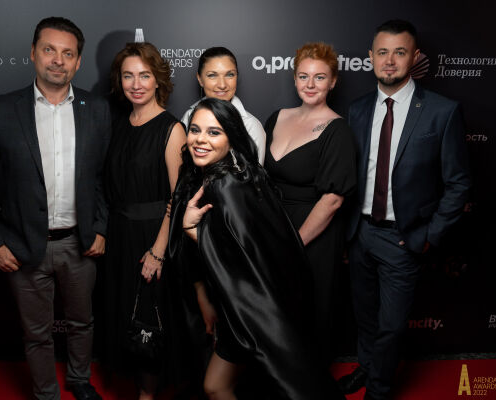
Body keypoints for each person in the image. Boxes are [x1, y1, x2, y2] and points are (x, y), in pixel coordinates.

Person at [0, 17, 109, 400]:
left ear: (78, 62)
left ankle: (80, 381)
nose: (58, 60)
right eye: (49, 50)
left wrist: (100, 227)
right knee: (37, 332)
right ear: (33, 53)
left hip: (80, 244)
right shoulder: (1, 110)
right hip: (23, 246)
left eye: (68, 53)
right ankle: (46, 393)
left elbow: (103, 177)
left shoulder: (97, 109)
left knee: (82, 322)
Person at [168, 98, 345, 400]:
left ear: (231, 137)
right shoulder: (236, 174)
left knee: (222, 386)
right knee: (221, 385)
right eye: (195, 130)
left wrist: (193, 232)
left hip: (253, 309)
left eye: (214, 132)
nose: (200, 139)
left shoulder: (225, 185)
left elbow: (241, 257)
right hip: (247, 305)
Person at [338, 20, 471, 400]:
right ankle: (366, 368)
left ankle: (379, 390)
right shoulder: (358, 109)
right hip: (360, 233)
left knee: (392, 326)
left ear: (415, 57)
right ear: (371, 57)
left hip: (403, 239)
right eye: (382, 52)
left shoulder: (442, 111)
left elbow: (459, 182)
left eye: (399, 52)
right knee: (365, 316)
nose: (390, 61)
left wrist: (429, 235)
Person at [99, 42, 187, 400]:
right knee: (126, 315)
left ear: (158, 79)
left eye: (144, 75)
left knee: (150, 317)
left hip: (152, 238)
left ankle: (147, 395)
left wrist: (158, 252)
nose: (136, 84)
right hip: (120, 236)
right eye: (128, 76)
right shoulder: (119, 125)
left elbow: (177, 199)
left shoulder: (172, 129)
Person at [263, 42, 356, 364]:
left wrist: (293, 244)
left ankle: (306, 385)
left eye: (320, 77)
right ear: (294, 79)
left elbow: (332, 200)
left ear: (333, 81)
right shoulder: (277, 117)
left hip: (312, 237)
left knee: (305, 318)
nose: (310, 84)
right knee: (272, 316)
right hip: (274, 228)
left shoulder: (337, 130)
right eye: (304, 76)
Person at [181, 47, 266, 165]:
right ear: (200, 79)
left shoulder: (250, 125)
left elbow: (254, 173)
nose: (222, 85)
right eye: (212, 75)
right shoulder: (189, 116)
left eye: (230, 75)